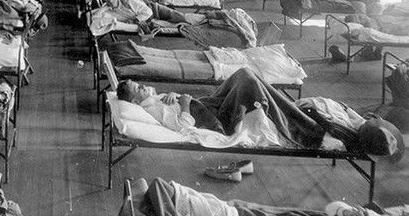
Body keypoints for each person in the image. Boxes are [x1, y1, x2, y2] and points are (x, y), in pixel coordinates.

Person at [117, 69, 404, 158]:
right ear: (135, 99)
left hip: (207, 107)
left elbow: (162, 102)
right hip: (216, 122)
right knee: (249, 81)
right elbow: (181, 125)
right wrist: (181, 102)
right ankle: (282, 108)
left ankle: (270, 99)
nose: (144, 87)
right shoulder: (151, 109)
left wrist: (172, 98)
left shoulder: (151, 102)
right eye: (138, 88)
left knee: (245, 77)